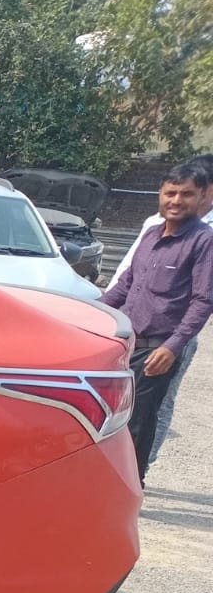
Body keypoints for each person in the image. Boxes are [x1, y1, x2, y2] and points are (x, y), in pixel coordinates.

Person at [100, 162, 213, 484]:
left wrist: (172, 347)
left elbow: (204, 300)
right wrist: (89, 312)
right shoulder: (151, 234)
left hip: (157, 349)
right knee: (113, 415)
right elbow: (125, 285)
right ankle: (109, 480)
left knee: (139, 421)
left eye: (186, 194)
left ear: (202, 197)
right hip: (127, 342)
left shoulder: (204, 241)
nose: (176, 200)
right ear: (161, 194)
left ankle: (132, 485)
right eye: (170, 192)